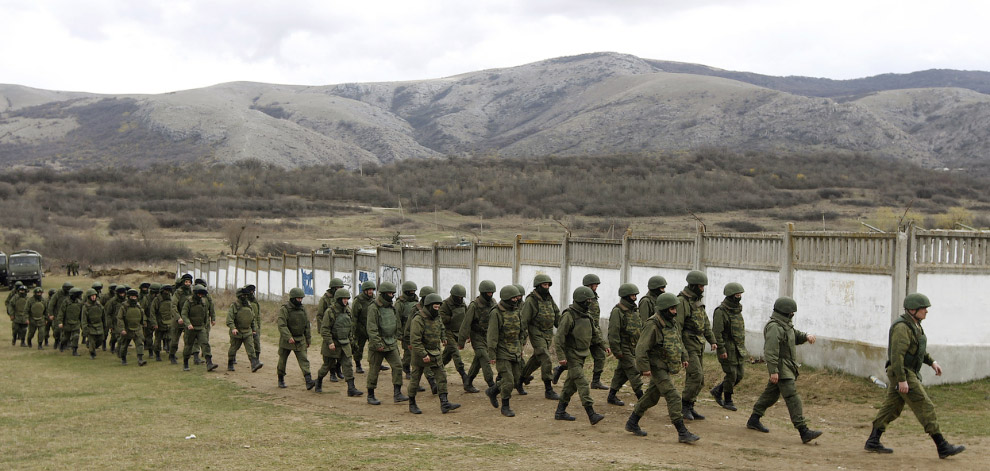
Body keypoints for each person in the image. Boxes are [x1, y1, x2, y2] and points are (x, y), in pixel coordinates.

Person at [864, 293, 965, 459]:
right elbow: (897, 356)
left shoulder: (915, 325)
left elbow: (917, 350)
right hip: (902, 371)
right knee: (925, 405)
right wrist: (902, 379)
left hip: (905, 372)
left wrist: (932, 362)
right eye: (923, 308)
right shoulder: (902, 328)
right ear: (912, 309)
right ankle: (942, 445)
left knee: (892, 408)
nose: (926, 311)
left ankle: (873, 440)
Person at [624, 293, 699, 443]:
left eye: (675, 308)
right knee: (673, 396)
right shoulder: (653, 325)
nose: (675, 311)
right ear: (664, 309)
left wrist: (684, 356)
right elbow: (641, 348)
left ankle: (632, 422)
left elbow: (678, 341)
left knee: (651, 397)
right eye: (672, 309)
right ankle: (682, 432)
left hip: (666, 365)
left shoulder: (672, 322)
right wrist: (644, 368)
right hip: (657, 367)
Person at [746, 296, 822, 444]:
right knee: (792, 397)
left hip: (786, 367)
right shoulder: (774, 327)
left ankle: (754, 419)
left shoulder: (784, 325)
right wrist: (773, 370)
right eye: (791, 312)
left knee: (771, 395)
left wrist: (806, 336)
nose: (793, 315)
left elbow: (794, 336)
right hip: (781, 368)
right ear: (786, 312)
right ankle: (803, 430)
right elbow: (770, 351)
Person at [553, 286, 609, 425]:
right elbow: (559, 337)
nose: (590, 303)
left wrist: (604, 346)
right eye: (587, 300)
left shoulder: (587, 316)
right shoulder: (569, 316)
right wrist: (561, 356)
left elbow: (595, 334)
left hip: (582, 354)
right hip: (572, 356)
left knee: (570, 385)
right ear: (580, 300)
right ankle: (591, 414)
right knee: (582, 383)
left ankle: (560, 412)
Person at [407, 293, 461, 414]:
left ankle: (444, 403)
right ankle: (412, 403)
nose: (437, 308)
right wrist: (423, 354)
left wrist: (443, 337)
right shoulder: (418, 319)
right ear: (429, 305)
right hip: (421, 354)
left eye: (439, 306)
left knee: (442, 377)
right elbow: (415, 340)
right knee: (415, 379)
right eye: (435, 306)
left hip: (435, 352)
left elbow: (441, 327)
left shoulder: (437, 317)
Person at [674, 270, 717, 420]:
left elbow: (705, 323)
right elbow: (677, 328)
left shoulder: (696, 301)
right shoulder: (681, 302)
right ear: (693, 286)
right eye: (700, 286)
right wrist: (682, 351)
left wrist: (712, 341)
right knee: (696, 376)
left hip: (698, 344)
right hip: (688, 345)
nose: (703, 289)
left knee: (700, 379)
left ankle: (690, 406)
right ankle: (683, 406)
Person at [364, 282, 408, 404]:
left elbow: (395, 323)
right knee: (374, 369)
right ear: (383, 294)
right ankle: (370, 395)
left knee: (398, 366)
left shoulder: (391, 307)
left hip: (391, 343)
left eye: (393, 293)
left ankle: (397, 393)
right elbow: (371, 328)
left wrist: (397, 336)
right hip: (377, 345)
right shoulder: (373, 308)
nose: (392, 295)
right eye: (389, 293)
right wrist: (378, 343)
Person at [486, 285, 525, 417]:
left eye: (517, 297)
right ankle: (505, 406)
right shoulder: (496, 313)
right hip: (502, 351)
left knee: (515, 379)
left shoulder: (517, 311)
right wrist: (491, 354)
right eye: (513, 298)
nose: (516, 300)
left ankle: (493, 391)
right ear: (507, 298)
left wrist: (521, 348)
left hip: (515, 350)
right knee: (508, 380)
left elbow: (521, 331)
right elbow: (492, 335)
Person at [519, 274, 561, 400]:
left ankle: (520, 380)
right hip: (536, 334)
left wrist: (564, 327)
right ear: (538, 286)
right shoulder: (531, 301)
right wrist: (521, 338)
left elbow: (556, 314)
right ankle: (548, 389)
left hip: (548, 335)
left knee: (537, 360)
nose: (547, 287)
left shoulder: (549, 298)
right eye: (544, 285)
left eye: (548, 285)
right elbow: (524, 321)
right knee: (546, 357)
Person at [318, 288, 363, 397]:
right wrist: (329, 342)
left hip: (345, 343)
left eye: (347, 299)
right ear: (338, 299)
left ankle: (351, 388)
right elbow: (324, 329)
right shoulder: (330, 312)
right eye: (343, 299)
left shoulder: (348, 311)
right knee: (327, 366)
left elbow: (350, 328)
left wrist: (352, 343)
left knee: (348, 365)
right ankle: (318, 382)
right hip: (333, 344)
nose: (345, 301)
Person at [607, 283, 645, 406]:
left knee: (622, 372)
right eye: (632, 295)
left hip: (634, 346)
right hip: (624, 347)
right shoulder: (618, 311)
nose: (635, 298)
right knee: (634, 371)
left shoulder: (634, 310)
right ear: (625, 296)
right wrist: (616, 350)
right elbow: (613, 332)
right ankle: (642, 398)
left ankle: (611, 395)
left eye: (635, 295)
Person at [711, 282, 746, 411]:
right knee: (731, 374)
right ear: (731, 296)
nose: (739, 297)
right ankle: (728, 400)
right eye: (737, 295)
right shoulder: (721, 312)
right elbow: (717, 332)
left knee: (740, 375)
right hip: (727, 348)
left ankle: (718, 390)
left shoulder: (737, 310)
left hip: (738, 349)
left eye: (740, 295)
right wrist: (721, 349)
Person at [458, 280, 497, 393]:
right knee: (485, 358)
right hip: (477, 336)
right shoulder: (474, 306)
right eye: (488, 293)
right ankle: (491, 384)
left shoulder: (493, 303)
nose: (490, 295)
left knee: (478, 360)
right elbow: (465, 324)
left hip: (488, 336)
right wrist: (461, 342)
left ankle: (468, 382)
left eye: (492, 293)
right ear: (483, 292)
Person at [276, 287, 315, 389]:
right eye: (298, 298)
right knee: (282, 360)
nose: (300, 300)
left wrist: (308, 339)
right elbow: (282, 325)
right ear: (293, 298)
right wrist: (288, 337)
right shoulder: (284, 309)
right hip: (287, 340)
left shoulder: (302, 309)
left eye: (301, 298)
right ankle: (281, 379)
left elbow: (307, 324)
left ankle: (308, 380)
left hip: (300, 339)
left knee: (304, 359)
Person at [180, 285, 218, 372]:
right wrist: (188, 324)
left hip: (200, 328)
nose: (200, 296)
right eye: (199, 294)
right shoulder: (188, 302)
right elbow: (184, 314)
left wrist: (208, 322)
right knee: (188, 346)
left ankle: (209, 363)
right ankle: (185, 363)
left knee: (205, 344)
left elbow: (206, 313)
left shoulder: (203, 302)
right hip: (190, 329)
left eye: (202, 294)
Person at [582, 274, 610, 390]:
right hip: (584, 334)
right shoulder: (583, 297)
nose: (597, 286)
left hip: (594, 333)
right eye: (595, 284)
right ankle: (559, 369)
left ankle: (595, 382)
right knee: (577, 359)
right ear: (589, 285)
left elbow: (595, 321)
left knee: (600, 356)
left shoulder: (594, 298)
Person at [227, 287, 263, 373]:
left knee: (251, 349)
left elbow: (253, 318)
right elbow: (229, 319)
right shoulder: (234, 306)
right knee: (234, 348)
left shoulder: (249, 305)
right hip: (237, 332)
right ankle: (230, 363)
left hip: (247, 332)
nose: (245, 297)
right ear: (239, 296)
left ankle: (254, 364)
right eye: (243, 295)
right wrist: (233, 328)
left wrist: (254, 329)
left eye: (246, 295)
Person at [439, 284, 468, 386]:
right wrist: (452, 318)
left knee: (447, 356)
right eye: (458, 297)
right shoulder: (445, 304)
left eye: (461, 297)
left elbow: (467, 317)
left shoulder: (463, 304)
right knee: (455, 353)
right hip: (448, 332)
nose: (460, 299)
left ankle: (433, 371)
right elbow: (441, 318)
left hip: (458, 332)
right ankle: (463, 375)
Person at [116, 288, 151, 366]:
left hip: (137, 328)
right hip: (127, 329)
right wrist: (122, 329)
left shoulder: (138, 306)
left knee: (140, 344)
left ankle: (140, 359)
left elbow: (142, 314)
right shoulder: (124, 307)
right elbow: (120, 318)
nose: (133, 298)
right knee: (124, 345)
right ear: (128, 297)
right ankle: (123, 359)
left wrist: (144, 322)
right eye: (132, 297)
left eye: (135, 297)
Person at [351, 280, 377, 374]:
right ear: (364, 291)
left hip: (371, 329)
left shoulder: (374, 299)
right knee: (358, 348)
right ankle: (358, 365)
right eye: (369, 290)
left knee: (375, 347)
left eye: (372, 290)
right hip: (360, 329)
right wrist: (353, 331)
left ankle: (376, 363)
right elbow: (354, 317)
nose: (371, 291)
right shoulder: (358, 301)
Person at [395, 281, 419, 380]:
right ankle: (406, 368)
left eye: (414, 291)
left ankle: (410, 368)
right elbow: (397, 319)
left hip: (415, 329)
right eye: (410, 291)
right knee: (408, 352)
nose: (412, 292)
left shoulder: (417, 302)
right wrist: (399, 333)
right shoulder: (400, 303)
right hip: (405, 331)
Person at [56, 288, 85, 356]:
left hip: (76, 323)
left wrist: (82, 323)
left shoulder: (79, 303)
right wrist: (60, 322)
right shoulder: (66, 302)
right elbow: (61, 313)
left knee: (76, 336)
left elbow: (82, 314)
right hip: (67, 323)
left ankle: (74, 350)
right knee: (66, 338)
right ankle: (62, 344)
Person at [82, 289, 104, 359]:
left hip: (99, 325)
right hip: (90, 326)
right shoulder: (85, 307)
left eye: (94, 296)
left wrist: (105, 325)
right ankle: (92, 353)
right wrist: (85, 329)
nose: (93, 297)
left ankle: (92, 346)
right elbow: (84, 319)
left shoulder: (99, 305)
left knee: (101, 339)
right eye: (92, 296)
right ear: (89, 297)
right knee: (92, 341)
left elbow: (103, 315)